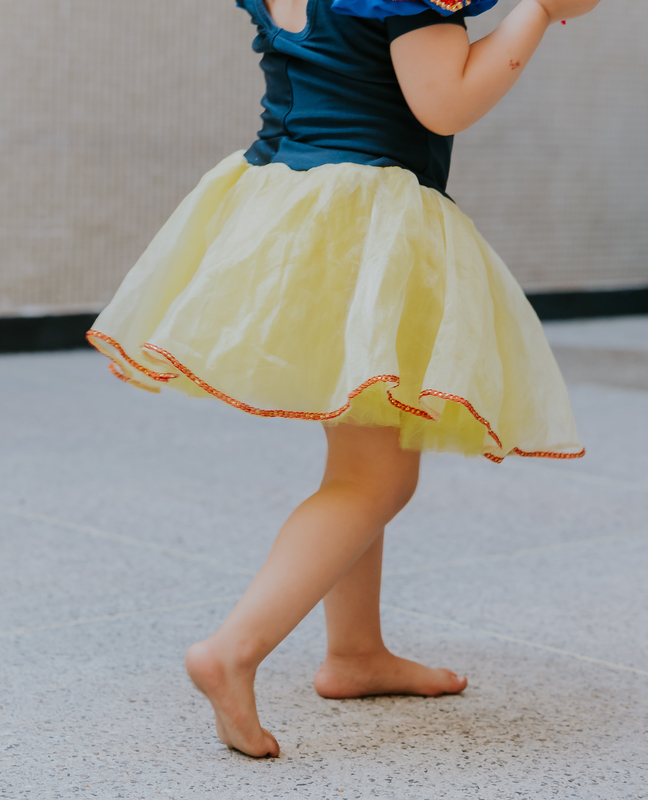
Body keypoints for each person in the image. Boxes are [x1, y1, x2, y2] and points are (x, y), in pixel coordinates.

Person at [87, 0, 600, 757]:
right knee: (377, 482)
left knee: (361, 454)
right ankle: (233, 648)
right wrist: (540, 13)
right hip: (367, 224)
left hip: (287, 209)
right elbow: (446, 101)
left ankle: (356, 652)